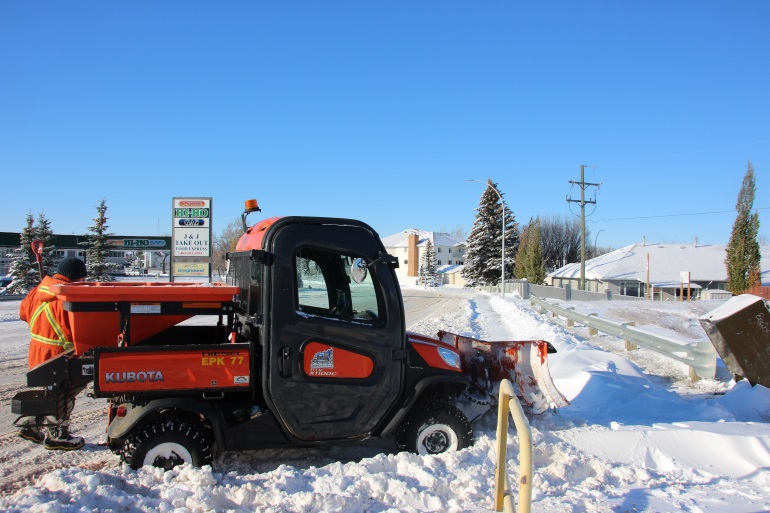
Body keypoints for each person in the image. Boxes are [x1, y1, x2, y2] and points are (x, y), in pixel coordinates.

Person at [17, 257, 88, 450]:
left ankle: (30, 424)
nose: (83, 283)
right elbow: (80, 330)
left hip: (37, 351)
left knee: (47, 391)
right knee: (64, 392)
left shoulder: (37, 291)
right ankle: (58, 435)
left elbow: (23, 313)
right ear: (75, 278)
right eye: (82, 279)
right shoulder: (67, 296)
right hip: (58, 355)